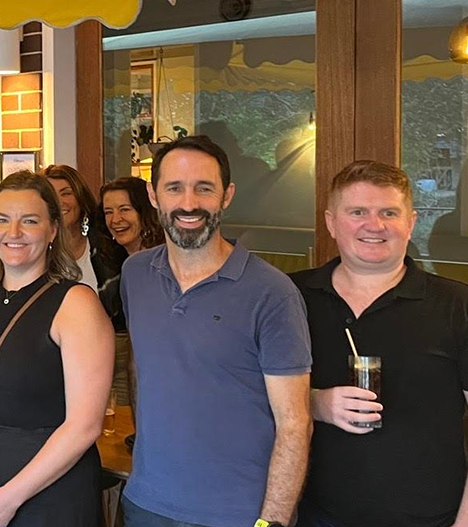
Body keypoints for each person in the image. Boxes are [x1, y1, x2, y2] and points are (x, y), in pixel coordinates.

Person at [119, 135, 312, 527]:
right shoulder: (135, 273)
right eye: (174, 188)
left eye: (204, 189)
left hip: (237, 514)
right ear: (153, 196)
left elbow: (295, 424)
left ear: (227, 196)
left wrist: (271, 522)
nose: (189, 203)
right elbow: (141, 367)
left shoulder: (272, 292)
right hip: (145, 504)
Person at [291, 161, 468, 527]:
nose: (375, 225)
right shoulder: (289, 298)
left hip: (431, 520)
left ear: (411, 223)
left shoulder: (460, 307)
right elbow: (242, 394)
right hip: (312, 517)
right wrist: (316, 403)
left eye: (389, 212)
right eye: (357, 212)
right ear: (331, 223)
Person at [0, 170, 115, 527]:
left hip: (50, 496)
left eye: (29, 221)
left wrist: (7, 499)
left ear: (53, 229)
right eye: (2, 220)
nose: (13, 232)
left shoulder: (76, 304)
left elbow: (85, 425)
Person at [98, 176, 165, 448]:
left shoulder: (159, 261)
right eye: (108, 211)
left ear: (145, 210)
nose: (116, 219)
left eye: (125, 209)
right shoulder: (127, 263)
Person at [42, 164, 125, 303]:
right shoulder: (35, 256)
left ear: (81, 198)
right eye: (51, 195)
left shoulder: (109, 252)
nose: (59, 202)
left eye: (66, 193)